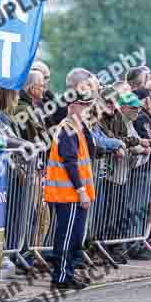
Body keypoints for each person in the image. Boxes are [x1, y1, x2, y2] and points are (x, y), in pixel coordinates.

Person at [43, 69, 98, 290]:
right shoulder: (67, 128)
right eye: (84, 105)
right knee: (66, 237)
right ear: (73, 105)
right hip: (69, 193)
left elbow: (91, 152)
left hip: (74, 193)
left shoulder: (78, 127)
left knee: (75, 237)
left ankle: (69, 273)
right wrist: (81, 191)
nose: (88, 109)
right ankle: (61, 276)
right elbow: (70, 162)